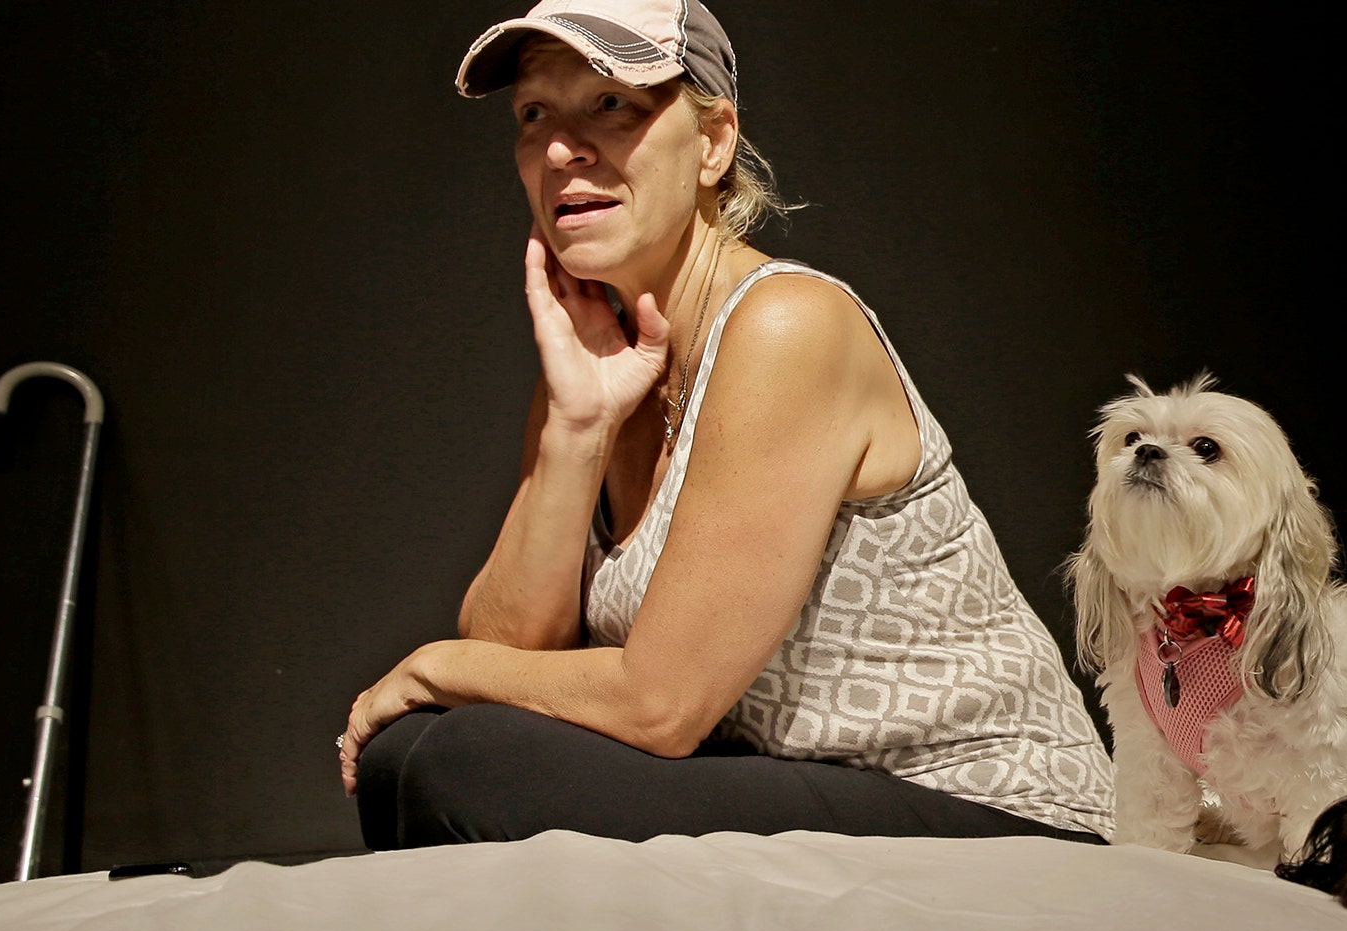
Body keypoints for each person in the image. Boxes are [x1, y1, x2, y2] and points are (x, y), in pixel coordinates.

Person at [339, 0, 1114, 847]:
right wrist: (577, 430)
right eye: (534, 115)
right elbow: (507, 653)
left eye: (610, 105)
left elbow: (660, 706)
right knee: (415, 755)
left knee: (463, 763)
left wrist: (430, 664)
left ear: (712, 144)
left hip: (991, 812)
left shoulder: (788, 325)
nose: (561, 149)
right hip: (797, 788)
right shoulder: (605, 361)